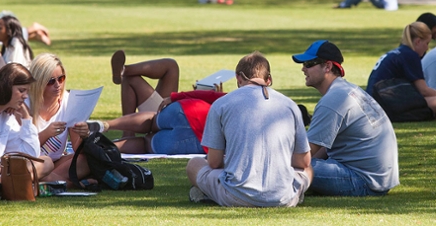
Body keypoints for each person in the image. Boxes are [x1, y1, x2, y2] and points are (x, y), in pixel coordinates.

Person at [186, 51, 312, 207]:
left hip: (236, 195)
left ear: (238, 78)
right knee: (308, 171)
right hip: (283, 197)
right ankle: (294, 193)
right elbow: (304, 161)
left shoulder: (221, 104)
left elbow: (214, 162)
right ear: (269, 79)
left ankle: (210, 194)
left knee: (194, 164)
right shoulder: (290, 105)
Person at [292, 40, 399, 196]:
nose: (303, 68)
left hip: (364, 182)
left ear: (327, 67)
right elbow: (321, 147)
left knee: (291, 166)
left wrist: (277, 159)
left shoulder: (333, 100)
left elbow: (304, 156)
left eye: (309, 63)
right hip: (380, 180)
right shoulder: (347, 90)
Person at [76, 88, 226, 155]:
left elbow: (210, 94)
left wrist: (175, 96)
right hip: (202, 139)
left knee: (153, 119)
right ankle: (101, 147)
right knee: (146, 144)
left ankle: (105, 125)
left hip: (191, 110)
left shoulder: (238, 95)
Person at [27, 53, 90, 185]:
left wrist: (84, 135)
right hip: (29, 162)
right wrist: (46, 134)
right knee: (45, 163)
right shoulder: (25, 103)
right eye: (51, 81)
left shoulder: (68, 101)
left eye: (61, 79)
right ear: (39, 82)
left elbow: (78, 148)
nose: (58, 85)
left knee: (88, 160)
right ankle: (69, 184)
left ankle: (47, 181)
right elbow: (21, 150)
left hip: (54, 164)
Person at [366, 22, 436, 120]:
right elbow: (423, 91)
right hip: (385, 103)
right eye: (427, 43)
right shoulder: (410, 55)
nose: (427, 48)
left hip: (375, 102)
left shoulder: (400, 52)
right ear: (418, 41)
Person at [110, 50, 179, 122]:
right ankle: (124, 70)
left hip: (177, 115)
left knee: (131, 79)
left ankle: (124, 71)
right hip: (176, 108)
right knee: (171, 66)